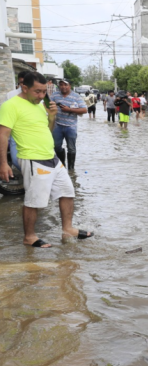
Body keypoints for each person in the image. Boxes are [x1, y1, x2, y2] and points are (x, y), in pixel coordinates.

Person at [0, 72, 94, 248]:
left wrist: (51, 117)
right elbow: (3, 135)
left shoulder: (39, 105)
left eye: (44, 91)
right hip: (32, 159)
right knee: (34, 201)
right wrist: (3, 164)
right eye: (37, 91)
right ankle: (29, 236)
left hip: (52, 157)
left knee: (67, 192)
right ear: (24, 88)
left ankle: (68, 229)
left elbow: (47, 130)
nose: (41, 96)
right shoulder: (10, 105)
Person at [51, 79, 87, 171]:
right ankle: (62, 166)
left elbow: (84, 110)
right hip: (57, 125)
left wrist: (69, 110)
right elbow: (47, 105)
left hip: (71, 126)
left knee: (71, 148)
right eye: (61, 85)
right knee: (56, 146)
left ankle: (71, 169)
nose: (63, 87)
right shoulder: (55, 95)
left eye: (65, 85)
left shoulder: (76, 97)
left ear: (70, 86)